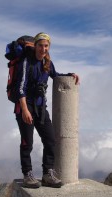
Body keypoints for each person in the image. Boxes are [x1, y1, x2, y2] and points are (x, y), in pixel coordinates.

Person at [14, 32, 80, 188]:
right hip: (25, 106)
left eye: (46, 46)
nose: (43, 49)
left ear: (48, 47)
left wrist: (70, 75)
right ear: (35, 46)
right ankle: (28, 174)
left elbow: (55, 76)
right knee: (27, 143)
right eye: (40, 45)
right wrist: (24, 110)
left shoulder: (48, 63)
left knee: (50, 140)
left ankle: (47, 173)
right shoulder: (26, 62)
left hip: (40, 107)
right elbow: (20, 87)